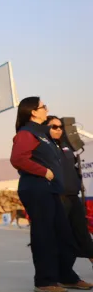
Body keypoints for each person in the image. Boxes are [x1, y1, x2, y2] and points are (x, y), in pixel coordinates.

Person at [10, 97, 90, 292]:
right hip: (36, 188)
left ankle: (66, 276)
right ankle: (44, 281)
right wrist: (43, 171)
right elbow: (18, 158)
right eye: (43, 106)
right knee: (44, 236)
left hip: (52, 189)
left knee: (64, 235)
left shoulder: (43, 134)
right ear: (33, 112)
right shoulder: (26, 133)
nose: (46, 108)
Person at [46, 115, 93, 271]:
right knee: (64, 237)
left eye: (60, 127)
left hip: (73, 196)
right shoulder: (45, 147)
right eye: (54, 127)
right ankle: (63, 273)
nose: (59, 130)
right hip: (58, 197)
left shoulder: (67, 146)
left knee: (83, 234)